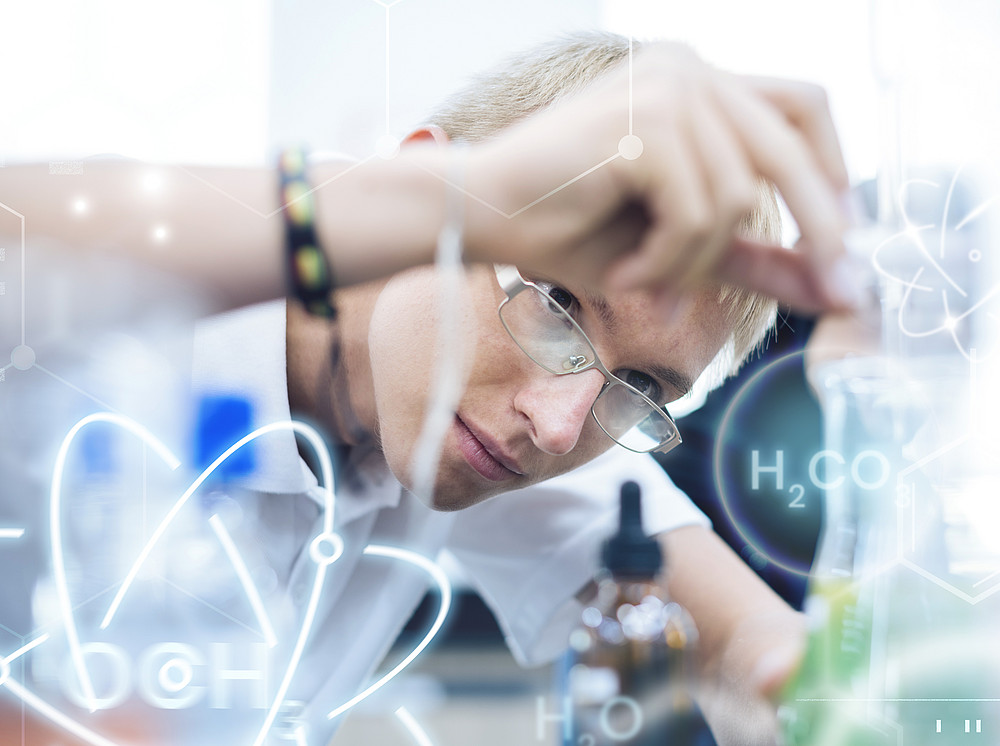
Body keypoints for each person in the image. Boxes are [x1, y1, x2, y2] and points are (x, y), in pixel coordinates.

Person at [0, 31, 856, 746]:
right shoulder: (92, 347)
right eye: (557, 303)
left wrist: (875, 402)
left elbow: (758, 656)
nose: (559, 428)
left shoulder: (508, 425)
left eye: (637, 386)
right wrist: (445, 204)